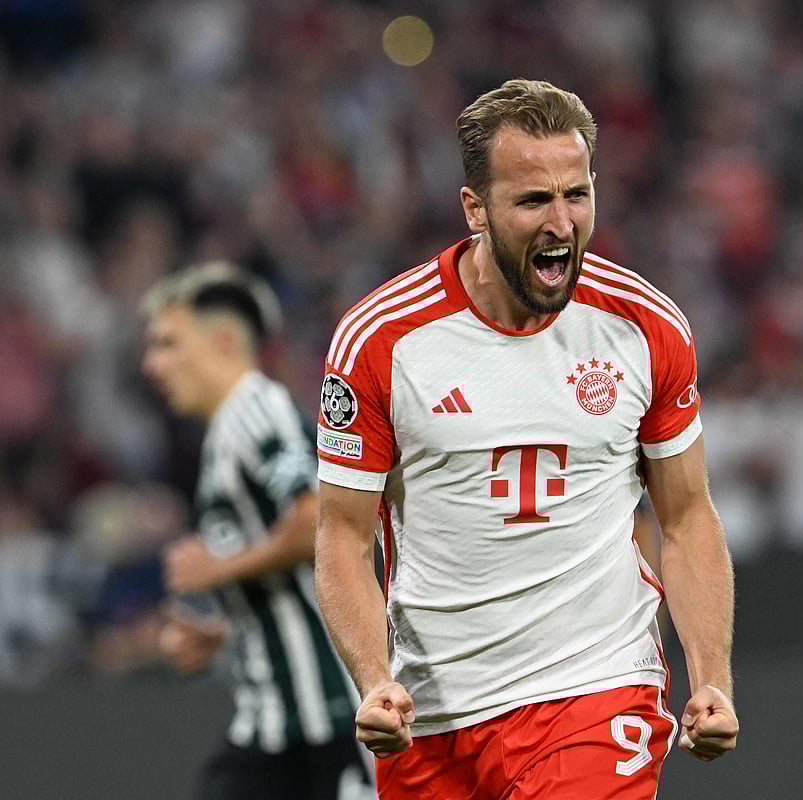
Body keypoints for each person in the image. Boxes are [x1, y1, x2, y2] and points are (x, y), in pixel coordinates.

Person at [314, 78, 738, 799]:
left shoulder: (644, 327)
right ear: (475, 209)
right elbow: (344, 537)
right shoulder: (383, 340)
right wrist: (375, 679)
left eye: (577, 194)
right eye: (534, 200)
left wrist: (713, 680)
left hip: (595, 690)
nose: (562, 223)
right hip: (433, 714)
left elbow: (688, 515)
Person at [140, 262, 373, 800]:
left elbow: (319, 516)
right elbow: (290, 590)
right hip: (275, 721)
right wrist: (227, 634)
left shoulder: (256, 409)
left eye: (168, 343)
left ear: (223, 342)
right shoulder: (224, 436)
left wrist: (215, 568)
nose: (152, 364)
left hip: (324, 719)